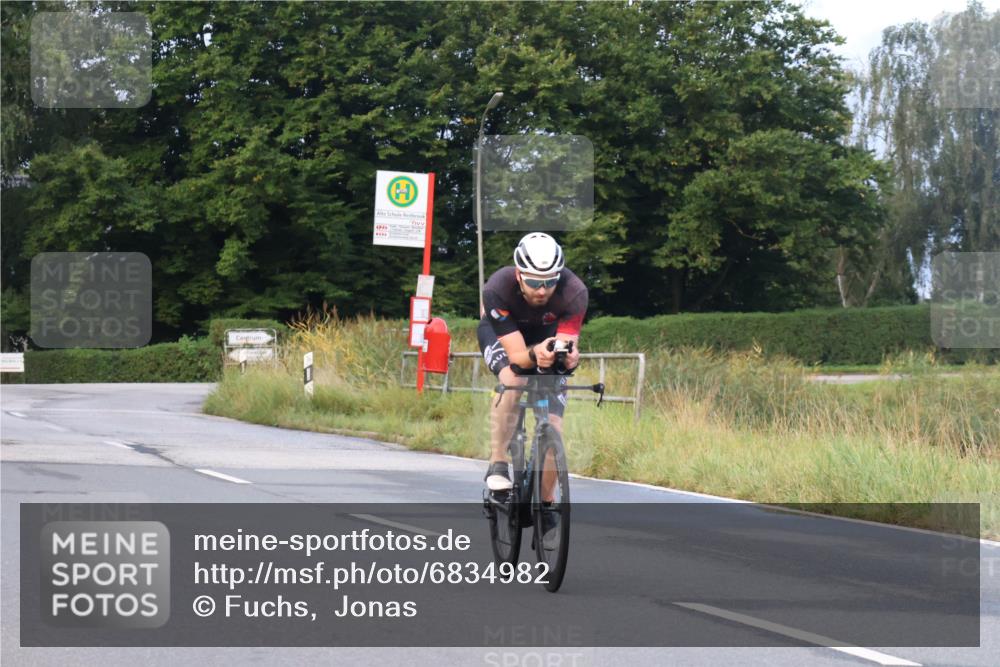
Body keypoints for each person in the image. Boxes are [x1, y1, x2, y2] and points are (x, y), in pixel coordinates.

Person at [477, 232, 588, 502]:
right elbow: (517, 357)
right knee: (515, 381)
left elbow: (567, 342)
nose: (542, 290)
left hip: (546, 336)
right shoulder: (497, 288)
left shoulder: (575, 291)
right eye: (534, 282)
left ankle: (547, 505)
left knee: (554, 427)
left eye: (550, 282)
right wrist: (535, 353)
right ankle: (498, 462)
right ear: (518, 276)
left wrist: (569, 357)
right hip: (505, 337)